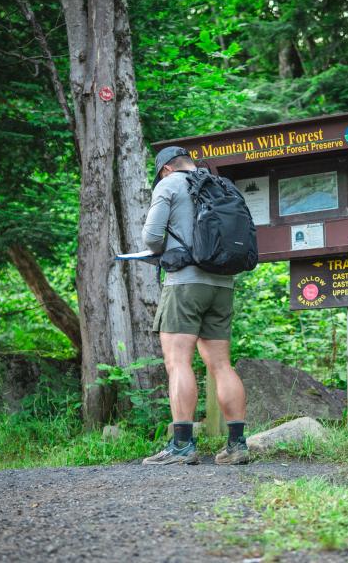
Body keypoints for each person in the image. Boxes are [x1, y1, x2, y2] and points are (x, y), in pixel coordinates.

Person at [140, 146, 249, 466]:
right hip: (222, 283)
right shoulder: (221, 184)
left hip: (185, 283)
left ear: (166, 169)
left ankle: (182, 445)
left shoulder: (169, 184)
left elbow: (151, 237)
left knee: (178, 362)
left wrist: (165, 248)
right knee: (221, 365)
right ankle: (237, 445)